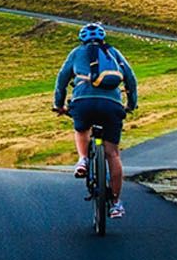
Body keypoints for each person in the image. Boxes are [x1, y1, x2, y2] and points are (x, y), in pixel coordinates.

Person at [52, 22, 139, 218]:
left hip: (83, 102)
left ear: (81, 39)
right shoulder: (113, 53)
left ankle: (83, 160)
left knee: (82, 129)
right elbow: (130, 79)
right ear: (103, 38)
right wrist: (131, 104)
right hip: (112, 105)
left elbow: (62, 80)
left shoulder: (76, 53)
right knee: (113, 154)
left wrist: (59, 105)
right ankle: (116, 203)